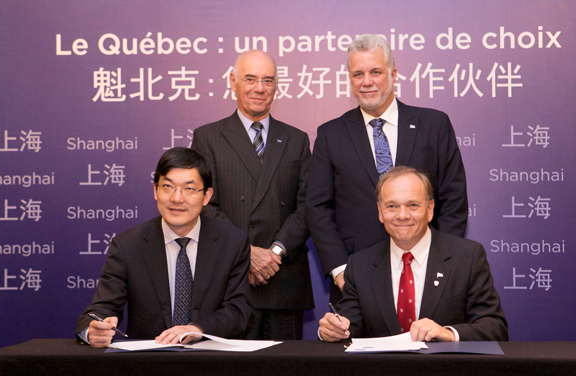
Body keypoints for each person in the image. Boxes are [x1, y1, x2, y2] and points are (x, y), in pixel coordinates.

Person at [306, 34, 468, 305]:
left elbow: (454, 200)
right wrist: (340, 270)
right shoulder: (330, 134)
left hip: (428, 275)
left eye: (376, 72)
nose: (366, 81)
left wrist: (442, 263)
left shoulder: (434, 125)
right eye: (358, 74)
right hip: (354, 279)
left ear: (393, 74)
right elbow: (317, 208)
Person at [75, 147, 254, 348]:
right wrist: (92, 330)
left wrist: (197, 329)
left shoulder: (231, 243)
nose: (177, 198)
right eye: (168, 186)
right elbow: (101, 309)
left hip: (212, 363)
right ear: (155, 190)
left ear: (206, 196)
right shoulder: (128, 245)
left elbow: (238, 310)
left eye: (189, 188)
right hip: (149, 366)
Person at [192, 49, 313, 340]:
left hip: (283, 278)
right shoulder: (208, 137)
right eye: (250, 79)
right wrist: (246, 253)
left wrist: (274, 253)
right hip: (231, 281)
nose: (260, 88)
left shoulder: (297, 139)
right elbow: (204, 205)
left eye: (268, 80)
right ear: (233, 82)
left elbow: (308, 205)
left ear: (276, 86)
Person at [319, 166, 507, 342]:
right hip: (382, 375)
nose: (402, 215)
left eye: (413, 205)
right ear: (380, 212)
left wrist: (449, 333)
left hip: (445, 373)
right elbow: (348, 327)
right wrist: (330, 330)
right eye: (392, 206)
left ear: (430, 209)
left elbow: (494, 327)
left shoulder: (467, 257)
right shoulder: (360, 265)